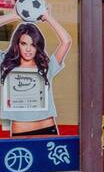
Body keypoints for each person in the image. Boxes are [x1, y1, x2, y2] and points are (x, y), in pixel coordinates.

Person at [1, 8, 73, 137]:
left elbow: (66, 41)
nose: (28, 49)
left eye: (33, 45)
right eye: (24, 44)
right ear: (17, 44)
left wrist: (47, 17)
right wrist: (14, 16)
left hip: (48, 127)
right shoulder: (5, 64)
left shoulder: (45, 66)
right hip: (21, 130)